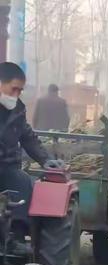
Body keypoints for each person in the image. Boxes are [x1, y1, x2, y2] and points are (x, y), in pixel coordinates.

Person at [0, 62, 62, 254]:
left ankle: (14, 237)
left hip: (6, 166)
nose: (16, 94)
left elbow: (28, 137)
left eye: (20, 90)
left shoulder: (17, 110)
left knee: (23, 182)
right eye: (14, 89)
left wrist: (45, 159)